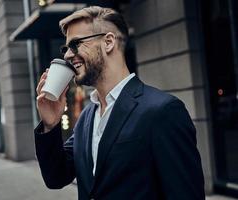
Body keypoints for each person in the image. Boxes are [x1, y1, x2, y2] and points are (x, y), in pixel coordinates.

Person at [35, 6, 205, 200]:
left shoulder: (163, 111)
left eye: (75, 44)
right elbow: (56, 177)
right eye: (66, 48)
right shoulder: (86, 117)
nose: (67, 55)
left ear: (108, 42)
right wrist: (50, 125)